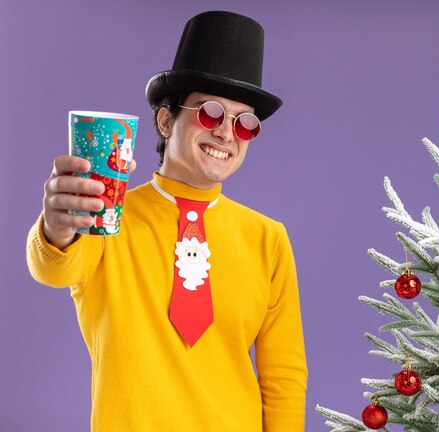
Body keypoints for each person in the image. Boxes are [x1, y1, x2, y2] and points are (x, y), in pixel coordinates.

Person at [26, 11, 307, 432]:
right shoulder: (107, 214)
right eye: (211, 113)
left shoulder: (268, 239)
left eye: (245, 123)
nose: (228, 134)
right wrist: (56, 224)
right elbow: (54, 267)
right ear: (165, 119)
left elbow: (283, 375)